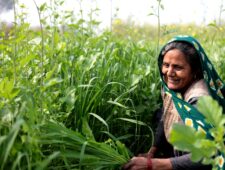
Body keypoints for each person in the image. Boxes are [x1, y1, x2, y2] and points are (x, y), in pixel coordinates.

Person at [123, 35, 225, 170]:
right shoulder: (174, 88)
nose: (169, 72)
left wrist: (152, 165)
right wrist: (152, 152)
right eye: (166, 65)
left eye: (178, 67)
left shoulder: (200, 100)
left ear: (195, 71)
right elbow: (165, 116)